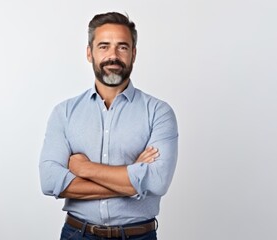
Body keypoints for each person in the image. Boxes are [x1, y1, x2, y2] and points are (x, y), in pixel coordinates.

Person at [39, 12, 178, 240]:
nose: (113, 55)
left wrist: (85, 169)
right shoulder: (64, 113)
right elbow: (50, 181)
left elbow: (158, 181)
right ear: (89, 53)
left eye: (122, 47)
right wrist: (133, 178)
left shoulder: (158, 112)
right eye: (104, 46)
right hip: (77, 234)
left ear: (133, 54)